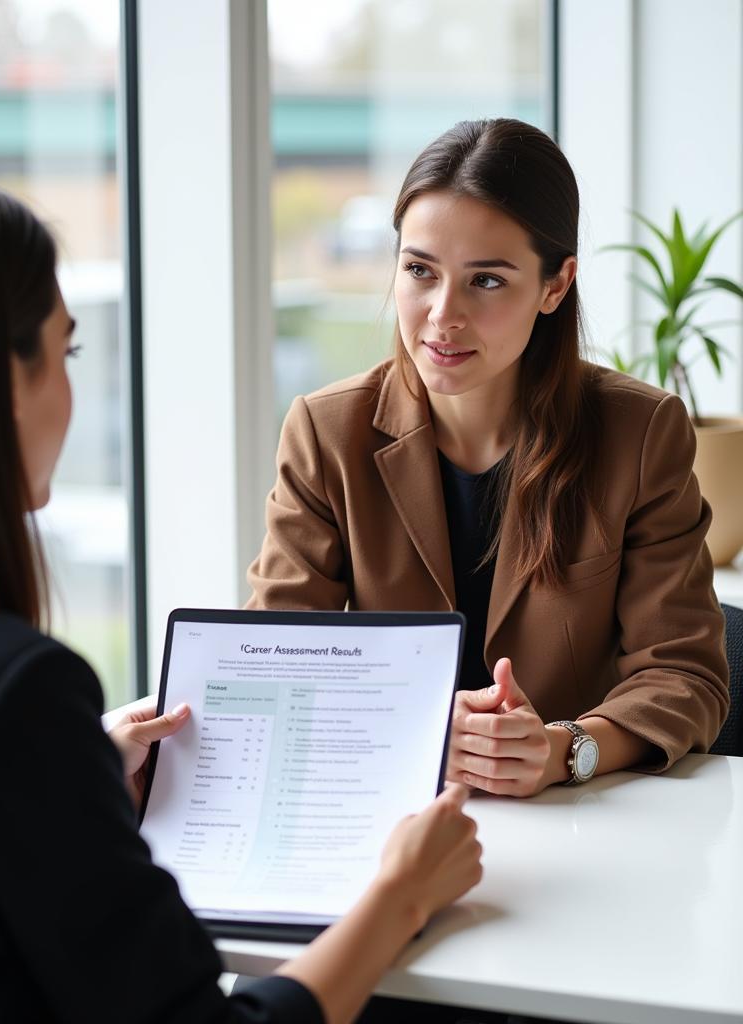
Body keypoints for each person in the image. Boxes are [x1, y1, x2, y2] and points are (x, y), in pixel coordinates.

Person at [0, 168, 482, 1024]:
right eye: (65, 348)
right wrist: (401, 894)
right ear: (3, 383)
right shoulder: (1, 695)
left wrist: (62, 777)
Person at [248, 118, 729, 797]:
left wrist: (567, 748)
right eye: (419, 271)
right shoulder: (327, 433)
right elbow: (278, 663)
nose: (443, 315)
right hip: (383, 812)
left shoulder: (641, 433)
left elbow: (685, 674)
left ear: (556, 286)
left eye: (488, 281)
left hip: (579, 823)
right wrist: (412, 726)